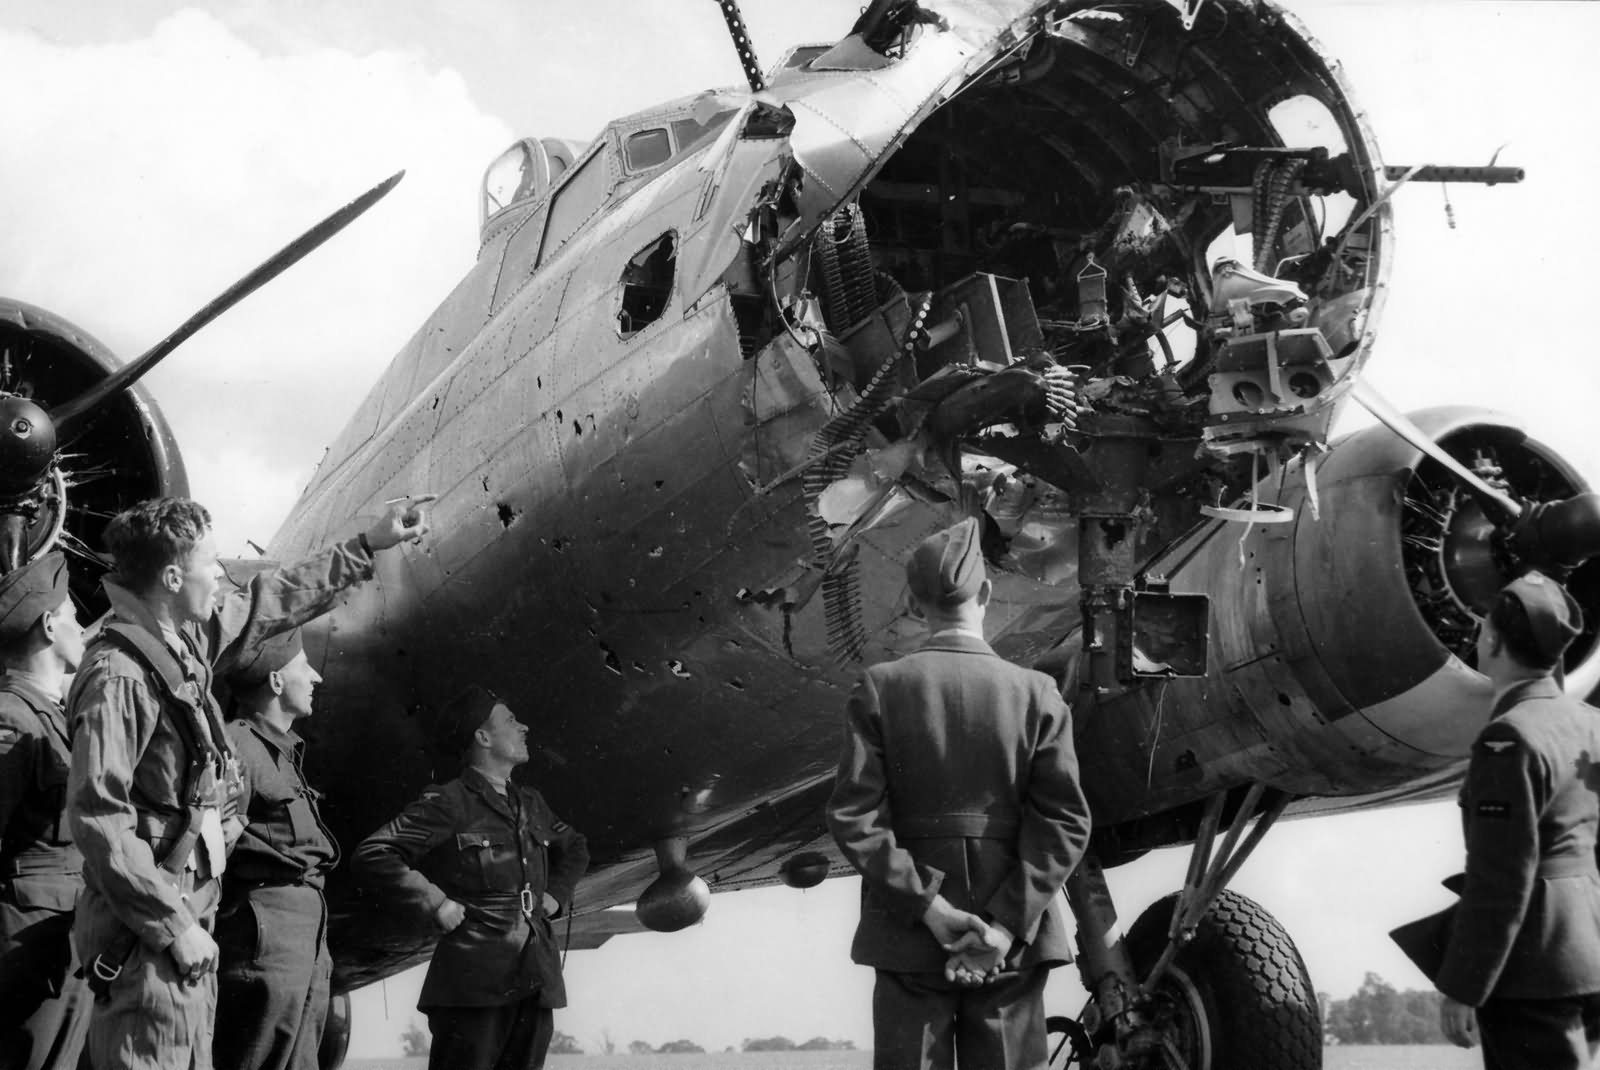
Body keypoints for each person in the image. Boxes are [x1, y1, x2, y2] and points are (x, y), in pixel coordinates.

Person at [67, 494, 431, 1070]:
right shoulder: (120, 675)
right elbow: (100, 818)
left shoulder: (180, 648)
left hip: (184, 922)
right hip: (149, 933)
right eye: (209, 564)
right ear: (172, 578)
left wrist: (367, 546)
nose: (220, 575)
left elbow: (269, 602)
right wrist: (173, 926)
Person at [826, 516, 1092, 1070]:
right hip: (1011, 939)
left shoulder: (881, 688)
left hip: (910, 934)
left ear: (914, 602)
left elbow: (854, 815)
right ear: (986, 593)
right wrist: (1004, 926)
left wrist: (929, 907)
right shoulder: (1038, 693)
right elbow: (1066, 823)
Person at [352, 686, 589, 1070]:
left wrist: (556, 895)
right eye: (510, 720)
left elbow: (576, 847)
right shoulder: (450, 801)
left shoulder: (530, 803)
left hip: (534, 974)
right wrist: (434, 903)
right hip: (473, 981)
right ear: (483, 737)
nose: (524, 727)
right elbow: (375, 852)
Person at [1428, 570, 1600, 1069]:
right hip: (1587, 958)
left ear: (1494, 642)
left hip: (1532, 973)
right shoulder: (1591, 724)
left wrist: (1465, 985)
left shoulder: (1508, 739)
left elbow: (1502, 875)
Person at [212, 627, 338, 1070]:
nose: (317, 677)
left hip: (302, 939)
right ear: (276, 681)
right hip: (265, 939)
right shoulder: (237, 746)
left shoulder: (282, 753)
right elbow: (210, 845)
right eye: (305, 667)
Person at [0, 551, 90, 1070]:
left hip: (61, 936)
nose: (82, 629)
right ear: (50, 626)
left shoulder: (52, 718)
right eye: (74, 617)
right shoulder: (12, 719)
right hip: (25, 943)